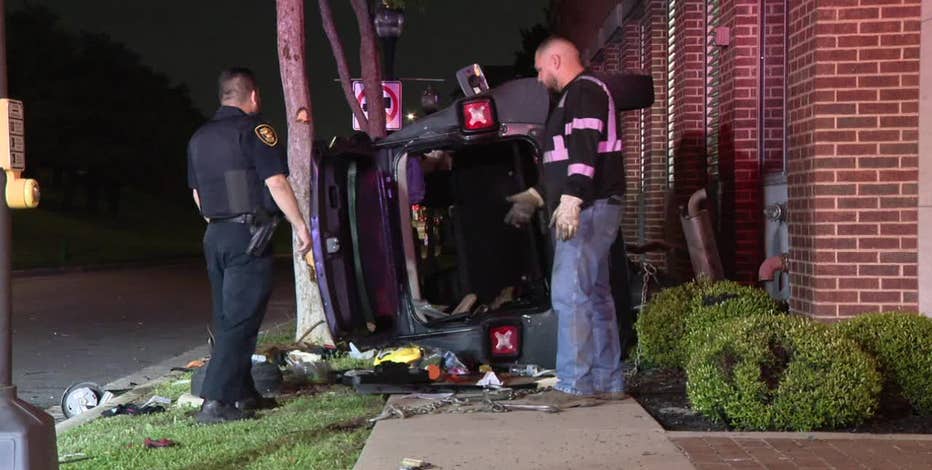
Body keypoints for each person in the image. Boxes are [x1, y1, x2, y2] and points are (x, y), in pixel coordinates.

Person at [506, 37, 628, 407]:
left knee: (570, 293)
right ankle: (608, 381)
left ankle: (576, 384)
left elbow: (584, 151)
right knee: (595, 296)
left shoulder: (584, 92)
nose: (540, 78)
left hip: (588, 208)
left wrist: (572, 199)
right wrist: (538, 195)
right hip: (595, 206)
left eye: (541, 69)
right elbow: (565, 158)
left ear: (556, 60)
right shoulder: (575, 97)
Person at [187, 67, 311, 424]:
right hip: (249, 236)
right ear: (252, 95)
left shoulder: (199, 138)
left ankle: (243, 394)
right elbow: (275, 181)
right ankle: (215, 401)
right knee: (241, 321)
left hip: (216, 235)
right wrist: (300, 226)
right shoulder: (256, 130)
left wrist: (220, 222)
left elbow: (197, 194)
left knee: (229, 317)